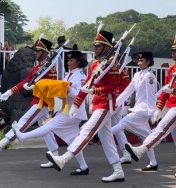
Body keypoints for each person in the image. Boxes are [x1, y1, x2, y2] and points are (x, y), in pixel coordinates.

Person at [45, 29, 125, 182]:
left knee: (86, 131)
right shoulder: (96, 64)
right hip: (98, 104)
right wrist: (76, 104)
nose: (95, 48)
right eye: (95, 45)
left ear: (107, 47)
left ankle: (64, 159)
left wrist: (95, 90)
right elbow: (85, 86)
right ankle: (118, 170)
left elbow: (114, 87)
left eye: (99, 45)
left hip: (106, 104)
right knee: (107, 138)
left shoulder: (112, 64)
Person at [125, 35, 176, 178]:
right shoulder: (171, 70)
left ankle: (141, 149)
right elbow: (165, 91)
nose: (173, 52)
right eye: (172, 50)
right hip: (172, 105)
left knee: (162, 127)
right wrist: (158, 109)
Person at [12, 50, 90, 175]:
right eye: (68, 60)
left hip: (73, 112)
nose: (69, 62)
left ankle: (23, 136)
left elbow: (80, 94)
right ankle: (84, 166)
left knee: (49, 126)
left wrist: (68, 89)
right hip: (66, 110)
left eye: (71, 60)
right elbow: (59, 91)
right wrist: (38, 88)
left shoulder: (81, 76)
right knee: (72, 140)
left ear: (78, 62)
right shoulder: (68, 75)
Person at [0, 38, 60, 168]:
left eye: (38, 51)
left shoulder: (50, 68)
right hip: (38, 101)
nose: (35, 53)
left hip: (42, 102)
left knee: (23, 122)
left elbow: (53, 85)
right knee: (46, 129)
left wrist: (36, 86)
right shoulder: (37, 68)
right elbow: (26, 81)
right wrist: (10, 91)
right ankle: (56, 156)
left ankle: (2, 143)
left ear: (45, 52)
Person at [111, 51, 159, 171]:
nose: (139, 62)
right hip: (139, 108)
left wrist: (152, 112)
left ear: (148, 62)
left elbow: (151, 95)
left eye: (142, 60)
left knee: (123, 122)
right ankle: (153, 163)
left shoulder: (150, 76)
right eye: (139, 60)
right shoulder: (137, 75)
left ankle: (102, 135)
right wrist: (116, 102)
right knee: (147, 137)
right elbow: (128, 90)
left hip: (144, 110)